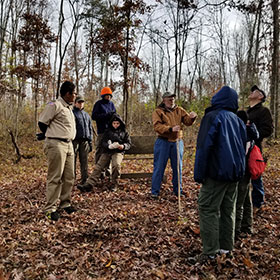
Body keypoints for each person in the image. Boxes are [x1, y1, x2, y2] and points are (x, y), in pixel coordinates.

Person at [191, 86, 247, 264]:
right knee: (227, 210)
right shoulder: (237, 120)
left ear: (217, 99)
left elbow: (203, 147)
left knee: (207, 208)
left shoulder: (213, 117)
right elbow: (243, 146)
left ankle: (210, 253)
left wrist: (199, 174)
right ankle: (226, 248)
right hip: (234, 174)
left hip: (217, 173)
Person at [38, 81, 77, 221]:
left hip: (69, 144)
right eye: (74, 93)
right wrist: (51, 134)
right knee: (55, 176)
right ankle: (50, 208)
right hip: (56, 143)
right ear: (67, 94)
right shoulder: (54, 105)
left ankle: (65, 203)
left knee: (69, 176)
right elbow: (42, 123)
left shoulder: (69, 108)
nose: (75, 95)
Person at [151, 91, 197, 199]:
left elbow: (187, 121)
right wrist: (170, 129)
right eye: (169, 99)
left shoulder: (179, 110)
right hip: (163, 141)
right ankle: (155, 192)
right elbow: (157, 126)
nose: (172, 101)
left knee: (178, 167)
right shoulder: (158, 111)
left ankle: (178, 191)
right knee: (159, 168)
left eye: (173, 99)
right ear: (164, 100)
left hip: (177, 141)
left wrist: (192, 118)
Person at [77, 113, 131, 192]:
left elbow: (128, 143)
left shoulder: (124, 132)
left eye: (117, 123)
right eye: (114, 123)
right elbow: (103, 142)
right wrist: (108, 146)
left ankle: (114, 184)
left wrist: (123, 146)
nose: (115, 125)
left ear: (120, 123)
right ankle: (89, 184)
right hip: (107, 151)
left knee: (116, 165)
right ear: (111, 123)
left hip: (118, 152)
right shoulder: (107, 131)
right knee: (99, 166)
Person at [247, 85, 273, 210]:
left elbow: (268, 130)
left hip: (255, 149)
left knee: (256, 175)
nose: (252, 92)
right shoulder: (246, 112)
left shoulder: (264, 111)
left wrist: (254, 133)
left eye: (255, 91)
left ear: (261, 97)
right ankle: (246, 203)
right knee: (244, 176)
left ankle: (258, 203)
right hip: (242, 147)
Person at [235, 110, 259, 239]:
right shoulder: (251, 131)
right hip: (248, 170)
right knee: (246, 199)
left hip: (242, 170)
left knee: (239, 200)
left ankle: (237, 229)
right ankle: (247, 225)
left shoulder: (243, 133)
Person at [92, 87, 116, 177]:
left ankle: (108, 169)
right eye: (107, 95)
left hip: (110, 131)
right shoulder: (98, 104)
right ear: (103, 96)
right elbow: (94, 116)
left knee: (110, 149)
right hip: (102, 131)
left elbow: (115, 116)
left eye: (110, 96)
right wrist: (106, 115)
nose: (108, 97)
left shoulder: (112, 105)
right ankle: (99, 170)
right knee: (99, 149)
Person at [72, 95, 94, 185]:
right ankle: (71, 180)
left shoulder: (86, 115)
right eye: (79, 102)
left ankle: (85, 179)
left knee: (84, 161)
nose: (81, 104)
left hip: (85, 141)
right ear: (75, 103)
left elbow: (90, 128)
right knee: (72, 160)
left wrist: (90, 141)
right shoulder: (72, 113)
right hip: (75, 140)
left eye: (82, 102)